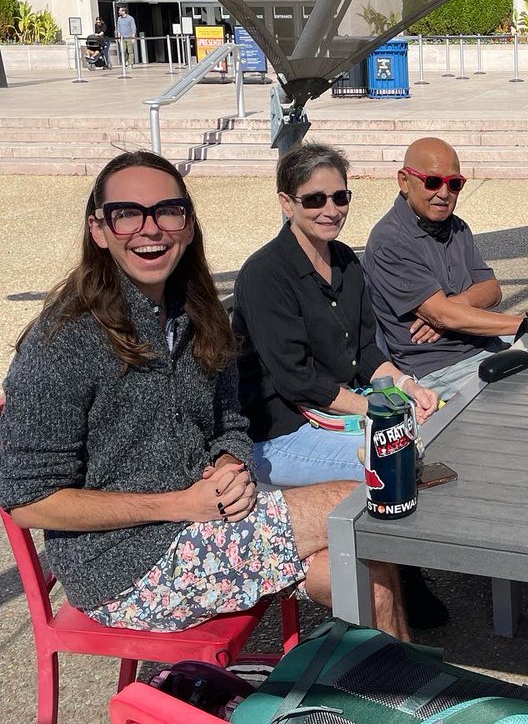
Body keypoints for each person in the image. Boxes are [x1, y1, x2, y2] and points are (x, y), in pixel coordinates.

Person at [0, 151, 408, 638]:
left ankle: (385, 696)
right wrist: (178, 504)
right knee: (360, 500)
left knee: (367, 563)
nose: (149, 229)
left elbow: (231, 419)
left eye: (167, 211)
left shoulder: (193, 314)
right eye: (126, 213)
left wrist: (231, 462)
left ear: (188, 226)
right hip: (126, 566)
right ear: (99, 230)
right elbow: (27, 499)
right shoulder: (64, 341)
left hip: (208, 521)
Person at [233, 142, 438, 488]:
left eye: (340, 197)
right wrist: (375, 410)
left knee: (438, 431)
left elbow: (364, 352)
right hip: (281, 434)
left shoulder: (344, 259)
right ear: (287, 204)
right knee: (397, 459)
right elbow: (296, 380)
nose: (331, 210)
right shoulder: (264, 275)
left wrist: (408, 387)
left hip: (335, 415)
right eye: (315, 199)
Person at [364, 137, 528, 401]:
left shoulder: (457, 226)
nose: (444, 193)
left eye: (454, 184)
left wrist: (455, 307)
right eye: (433, 182)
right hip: (440, 368)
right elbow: (444, 316)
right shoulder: (390, 240)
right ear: (404, 181)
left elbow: (492, 290)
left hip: (485, 348)